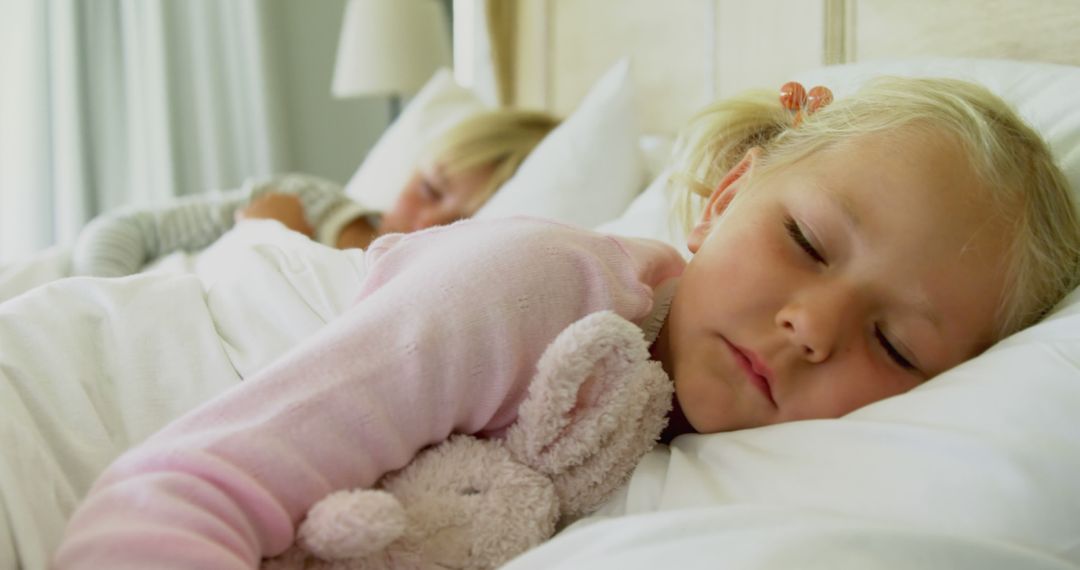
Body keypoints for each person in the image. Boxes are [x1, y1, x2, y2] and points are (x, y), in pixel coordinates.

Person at [50, 76, 1080, 568]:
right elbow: (182, 487)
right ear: (723, 198)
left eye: (897, 346)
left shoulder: (683, 458)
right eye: (806, 242)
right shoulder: (537, 288)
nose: (812, 325)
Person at [71, 108, 560, 277]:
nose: (425, 223)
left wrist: (273, 240)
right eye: (428, 188)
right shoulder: (303, 199)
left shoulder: (413, 300)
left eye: (460, 222)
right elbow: (124, 228)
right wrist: (95, 307)